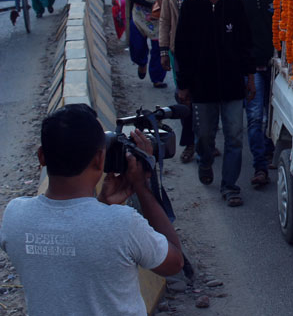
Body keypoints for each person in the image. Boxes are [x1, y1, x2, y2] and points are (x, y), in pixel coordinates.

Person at [0, 104, 183, 316]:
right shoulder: (123, 225)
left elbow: (68, 249)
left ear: (41, 157)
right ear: (99, 159)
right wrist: (142, 189)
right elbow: (174, 263)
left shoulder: (15, 215)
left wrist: (102, 203)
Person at [175, 0, 256, 207]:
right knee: (205, 136)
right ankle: (205, 161)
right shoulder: (190, 7)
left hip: (232, 86)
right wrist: (184, 86)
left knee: (234, 137)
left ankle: (230, 186)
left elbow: (245, 44)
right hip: (202, 88)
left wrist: (250, 78)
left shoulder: (234, 4)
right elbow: (182, 49)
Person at [235, 0, 275, 185]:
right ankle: (260, 166)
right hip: (252, 70)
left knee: (274, 114)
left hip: (276, 66)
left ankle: (269, 151)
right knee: (254, 117)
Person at [160, 0, 202, 163]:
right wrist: (164, 51)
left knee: (205, 99)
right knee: (184, 98)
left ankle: (205, 141)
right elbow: (165, 20)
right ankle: (190, 143)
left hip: (206, 52)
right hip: (181, 52)